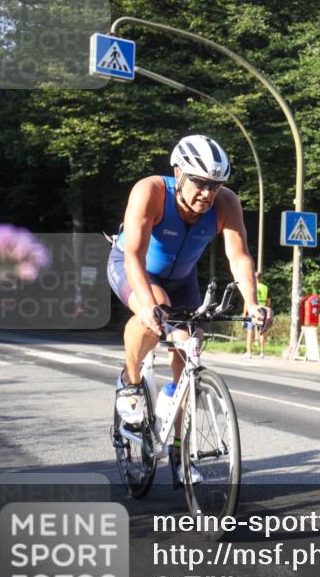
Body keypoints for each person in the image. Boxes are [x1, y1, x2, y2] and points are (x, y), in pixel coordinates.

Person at [107, 135, 272, 482]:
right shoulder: (150, 191)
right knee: (156, 311)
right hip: (131, 265)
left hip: (182, 279)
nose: (207, 194)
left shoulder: (226, 204)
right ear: (178, 173)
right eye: (199, 183)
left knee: (189, 353)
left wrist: (253, 303)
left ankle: (181, 456)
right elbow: (135, 255)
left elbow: (239, 257)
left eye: (215, 185)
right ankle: (131, 381)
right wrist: (149, 306)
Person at [244, 271, 271, 358]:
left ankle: (249, 353)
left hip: (253, 310)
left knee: (250, 331)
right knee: (262, 331)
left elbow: (247, 301)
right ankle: (262, 353)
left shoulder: (251, 287)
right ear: (260, 278)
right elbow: (269, 301)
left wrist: (244, 313)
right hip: (262, 309)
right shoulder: (265, 287)